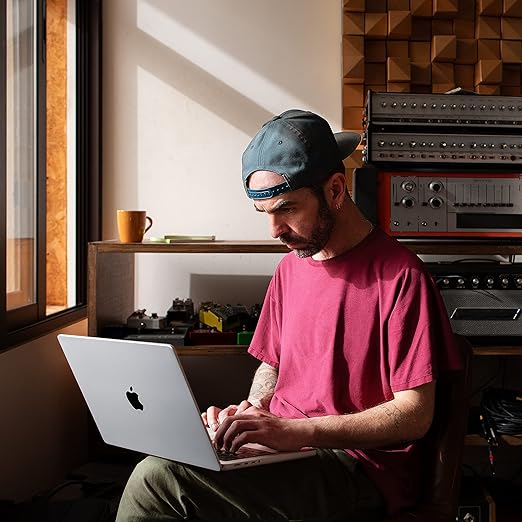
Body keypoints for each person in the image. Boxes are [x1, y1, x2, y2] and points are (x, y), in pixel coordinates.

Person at [115, 109, 463, 521]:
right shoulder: (290, 268)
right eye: (265, 215)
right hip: (286, 448)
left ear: (335, 190)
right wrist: (250, 413)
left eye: (287, 209)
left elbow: (414, 415)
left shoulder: (402, 277)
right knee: (165, 461)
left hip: (355, 468)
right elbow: (272, 364)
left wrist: (296, 432)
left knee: (157, 481)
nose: (274, 231)